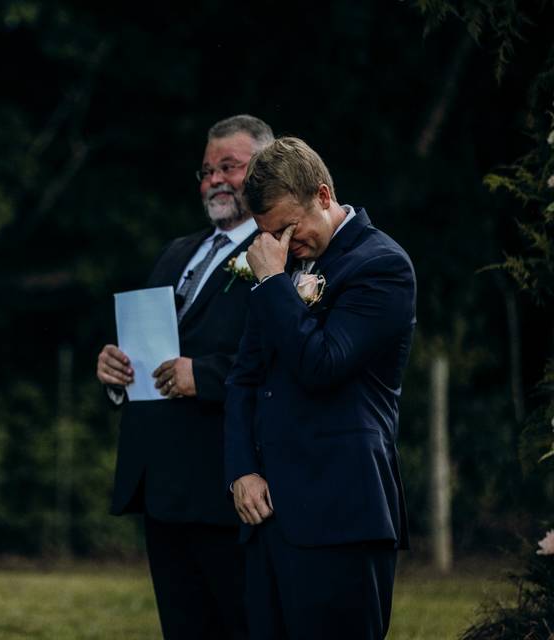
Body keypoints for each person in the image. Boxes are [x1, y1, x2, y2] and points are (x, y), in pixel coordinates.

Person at [225, 137, 415, 639]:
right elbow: (245, 376)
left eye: (288, 227)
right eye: (268, 233)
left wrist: (271, 287)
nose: (281, 244)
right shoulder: (281, 265)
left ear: (324, 196)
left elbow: (322, 364)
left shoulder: (382, 266)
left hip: (341, 514)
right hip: (268, 519)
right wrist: (242, 469)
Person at [96, 114, 273, 638]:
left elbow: (279, 357)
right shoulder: (177, 251)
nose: (215, 180)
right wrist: (115, 371)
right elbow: (150, 346)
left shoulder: (275, 251)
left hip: (226, 480)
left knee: (240, 624)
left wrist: (208, 375)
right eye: (206, 170)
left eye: (230, 167)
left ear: (264, 172)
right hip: (163, 485)